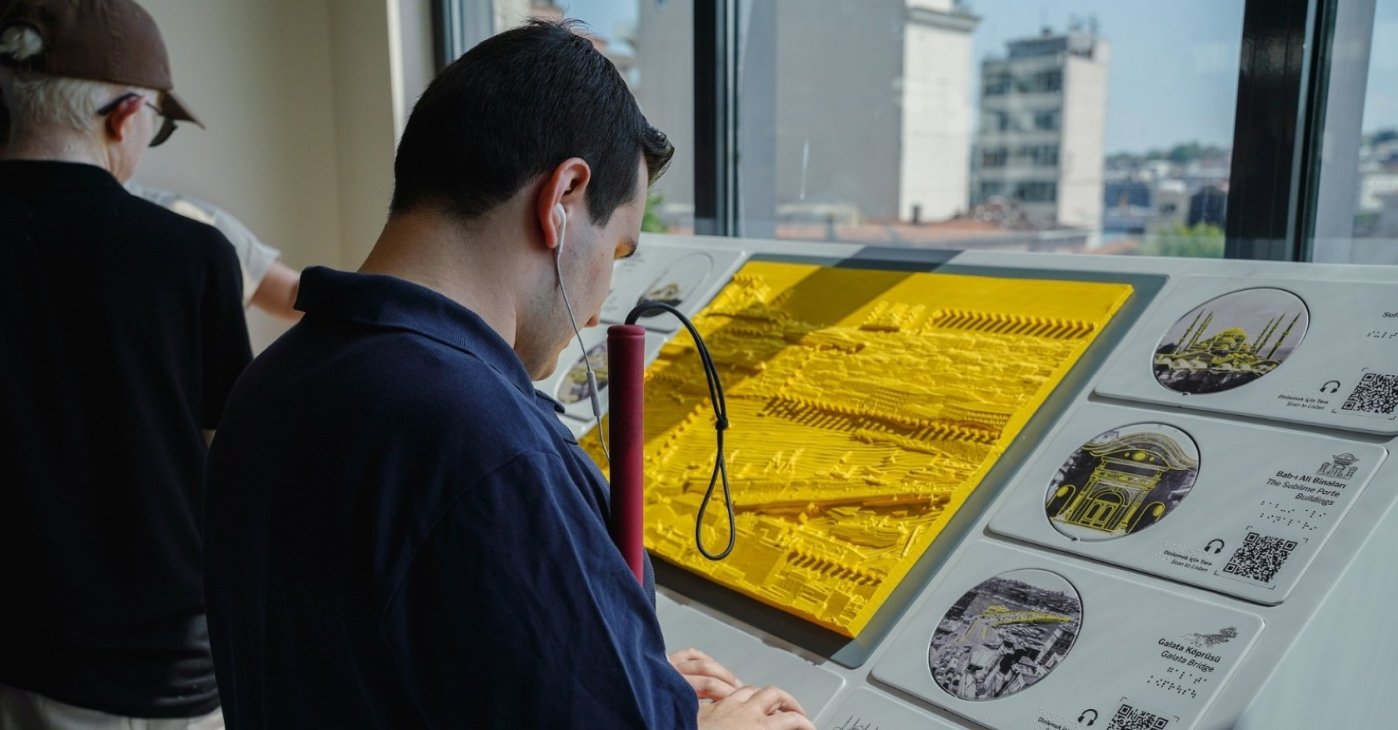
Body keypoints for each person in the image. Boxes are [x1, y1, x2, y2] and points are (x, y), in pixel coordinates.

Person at [203, 19, 816, 730]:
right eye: (616, 253)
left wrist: (616, 673)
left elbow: (404, 659)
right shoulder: (482, 443)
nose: (595, 312)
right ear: (562, 198)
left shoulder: (277, 379)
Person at [0, 0, 251, 727]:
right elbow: (227, 463)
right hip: (168, 667)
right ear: (127, 113)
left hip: (17, 659)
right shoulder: (190, 257)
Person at [0, 96, 301, 322]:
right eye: (156, 117)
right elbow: (291, 297)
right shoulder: (189, 230)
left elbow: (290, 294)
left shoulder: (187, 218)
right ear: (125, 118)